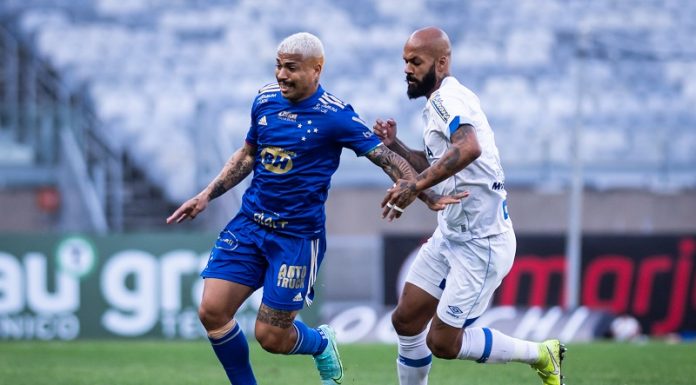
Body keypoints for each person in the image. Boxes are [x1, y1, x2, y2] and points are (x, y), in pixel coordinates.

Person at [167, 32, 464, 385]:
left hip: (295, 237)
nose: (281, 75)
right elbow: (248, 155)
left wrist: (422, 193)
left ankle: (321, 342)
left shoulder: (335, 116)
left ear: (316, 69)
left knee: (271, 338)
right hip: (249, 225)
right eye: (278, 66)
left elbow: (386, 159)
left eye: (291, 68)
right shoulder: (264, 100)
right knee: (212, 311)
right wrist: (206, 195)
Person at [373, 27, 566, 385]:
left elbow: (469, 147)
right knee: (406, 320)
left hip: (482, 243)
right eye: (405, 61)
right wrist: (396, 146)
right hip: (451, 235)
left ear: (441, 63)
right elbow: (438, 159)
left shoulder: (449, 99)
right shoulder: (439, 104)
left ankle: (542, 354)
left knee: (443, 342)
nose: (407, 69)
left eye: (416, 61)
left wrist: (413, 186)